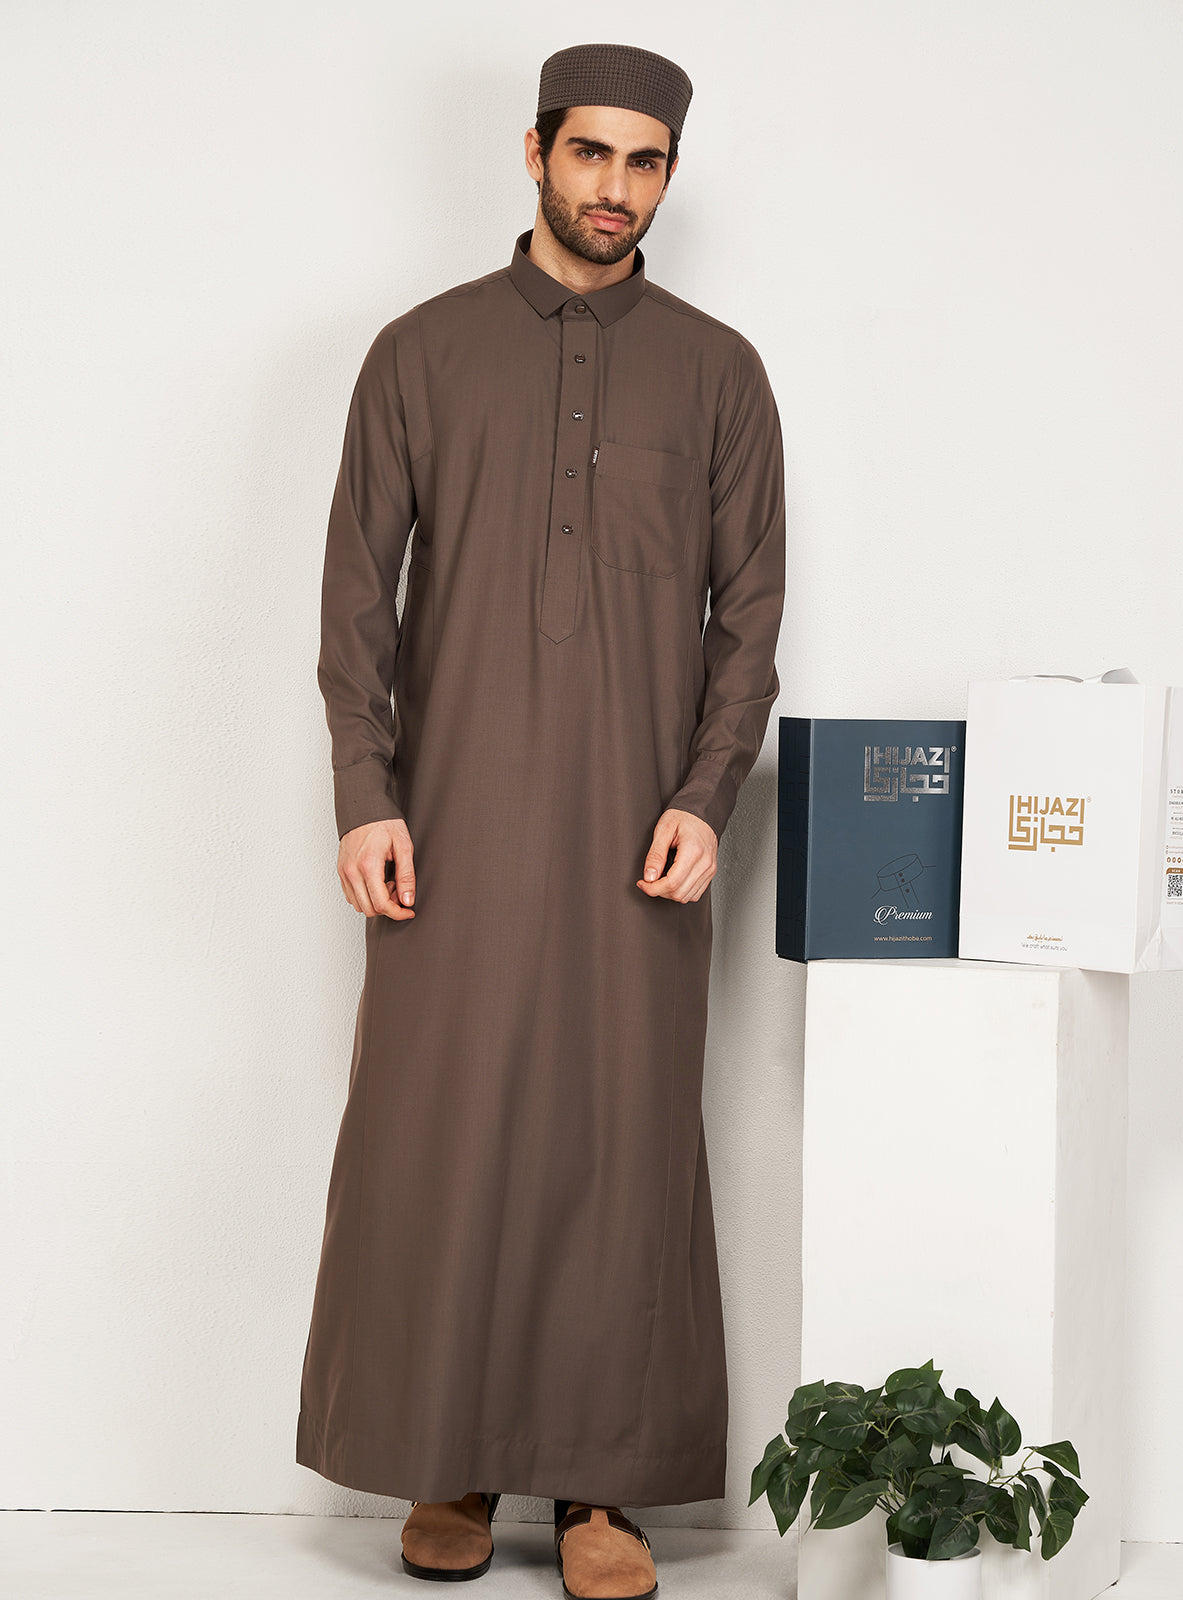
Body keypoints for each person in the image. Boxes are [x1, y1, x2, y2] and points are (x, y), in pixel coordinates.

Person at [295, 40, 787, 1599]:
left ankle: (598, 1492)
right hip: (447, 827)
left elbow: (751, 618)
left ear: (668, 176)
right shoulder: (420, 355)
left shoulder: (718, 371)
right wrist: (366, 796)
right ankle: (448, 1462)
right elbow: (353, 605)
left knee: (619, 1140)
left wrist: (708, 798)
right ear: (533, 155)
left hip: (641, 838)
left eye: (646, 163)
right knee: (445, 1133)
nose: (616, 188)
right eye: (592, 155)